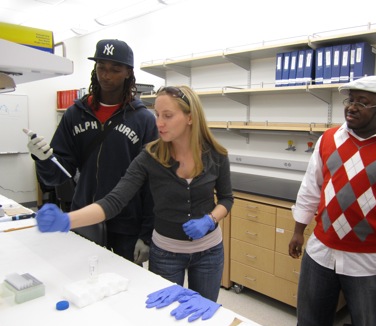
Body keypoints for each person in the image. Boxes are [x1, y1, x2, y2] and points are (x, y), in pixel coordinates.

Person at [34, 85, 234, 302]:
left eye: (167, 116)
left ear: (190, 117)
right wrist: (66, 220)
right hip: (167, 254)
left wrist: (210, 219)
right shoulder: (149, 157)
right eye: (157, 115)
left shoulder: (216, 155)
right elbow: (114, 200)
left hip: (209, 253)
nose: (159, 123)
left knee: (204, 313)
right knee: (164, 318)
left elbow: (226, 198)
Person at [288, 75, 376, 326]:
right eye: (350, 100)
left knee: (367, 324)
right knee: (309, 323)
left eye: (363, 102)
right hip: (320, 252)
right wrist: (299, 230)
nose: (351, 107)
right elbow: (311, 187)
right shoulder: (329, 139)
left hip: (370, 261)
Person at [26, 39, 158, 265]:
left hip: (126, 224)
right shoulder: (75, 114)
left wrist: (146, 235)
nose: (106, 76)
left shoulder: (143, 119)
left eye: (115, 70)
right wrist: (43, 159)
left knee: (124, 286)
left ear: (128, 72)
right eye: (101, 68)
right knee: (82, 280)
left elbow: (153, 182)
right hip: (85, 217)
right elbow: (59, 174)